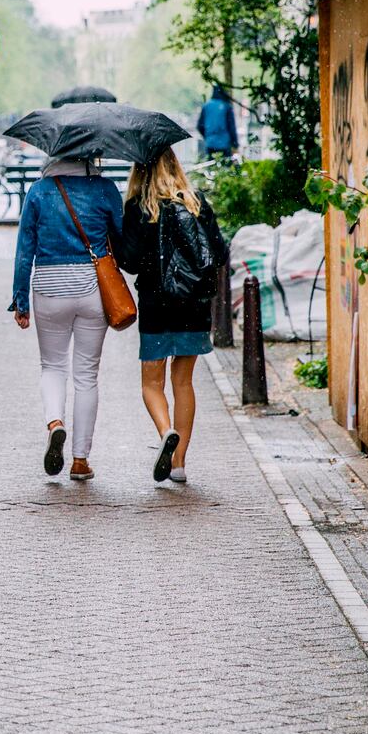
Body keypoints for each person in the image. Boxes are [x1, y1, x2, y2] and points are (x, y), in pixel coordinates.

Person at [119, 148, 231, 484]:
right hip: (193, 306)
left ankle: (166, 431)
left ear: (140, 171)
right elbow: (220, 253)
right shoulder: (195, 203)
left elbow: (131, 262)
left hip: (156, 304)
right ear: (174, 165)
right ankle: (179, 463)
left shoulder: (139, 209)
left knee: (151, 383)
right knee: (183, 382)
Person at [10, 154, 124, 481]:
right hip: (92, 286)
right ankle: (79, 460)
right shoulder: (104, 189)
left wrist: (20, 299)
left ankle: (55, 421)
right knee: (87, 374)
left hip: (48, 285)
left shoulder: (39, 191)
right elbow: (120, 237)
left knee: (52, 366)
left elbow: (24, 248)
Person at [197, 84, 240, 160]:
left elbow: (200, 126)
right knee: (225, 169)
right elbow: (231, 127)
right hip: (224, 145)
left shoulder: (206, 106)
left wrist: (207, 137)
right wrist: (235, 144)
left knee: (211, 167)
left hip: (210, 144)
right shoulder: (226, 106)